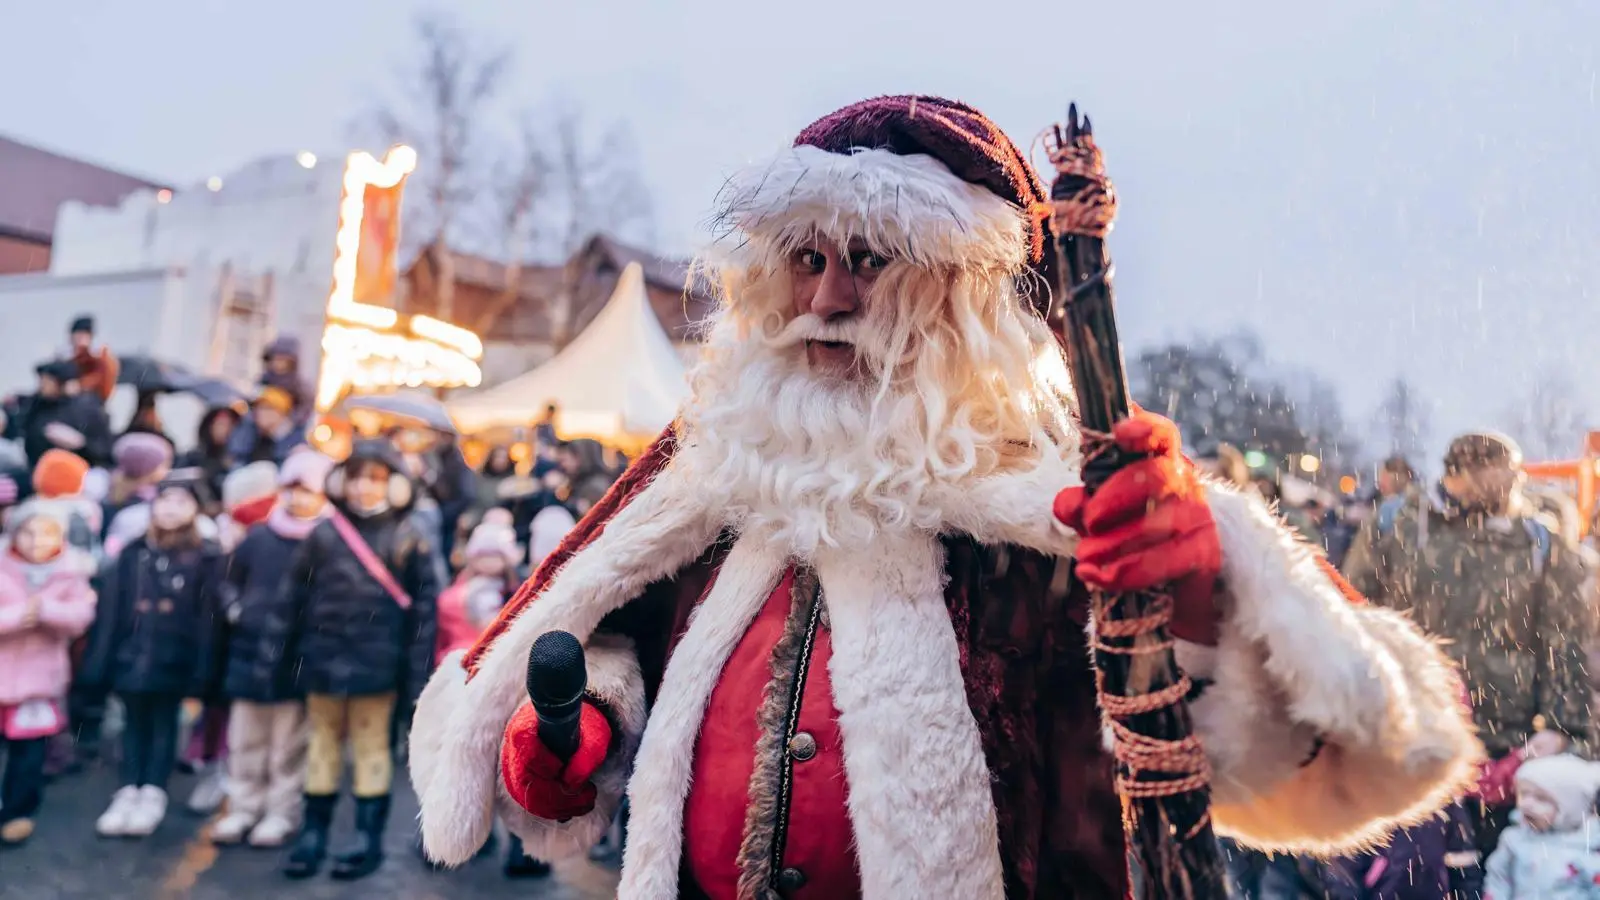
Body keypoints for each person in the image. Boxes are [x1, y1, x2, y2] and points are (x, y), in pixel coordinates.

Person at [409, 95, 1480, 897]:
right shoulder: (723, 479)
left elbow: (1350, 747)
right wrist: (577, 726)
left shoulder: (1058, 512)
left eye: (871, 261)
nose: (827, 300)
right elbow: (615, 640)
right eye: (807, 259)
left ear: (968, 298)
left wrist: (1196, 593)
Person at [1344, 431, 1595, 884]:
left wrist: (1565, 730)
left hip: (1500, 741)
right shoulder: (1398, 523)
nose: (1513, 486)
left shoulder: (1537, 540)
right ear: (1459, 472)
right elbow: (1353, 613)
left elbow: (1563, 639)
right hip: (1407, 733)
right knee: (1401, 869)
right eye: (1501, 475)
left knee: (1487, 870)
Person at [280, 439, 440, 881]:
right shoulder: (324, 534)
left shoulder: (409, 536)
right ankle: (314, 834)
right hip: (323, 662)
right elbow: (293, 599)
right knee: (321, 747)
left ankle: (366, 839)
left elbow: (425, 616)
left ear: (394, 485)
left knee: (372, 751)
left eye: (375, 477)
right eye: (356, 476)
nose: (364, 487)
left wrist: (416, 677)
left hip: (378, 668)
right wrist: (283, 658)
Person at [81, 469, 225, 838]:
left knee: (164, 724)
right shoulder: (134, 553)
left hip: (174, 659)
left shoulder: (206, 557)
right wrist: (101, 661)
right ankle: (128, 789)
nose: (171, 509)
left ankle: (153, 792)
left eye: (181, 501)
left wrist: (202, 670)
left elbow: (207, 620)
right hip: (132, 655)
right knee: (132, 724)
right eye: (165, 500)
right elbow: (113, 611)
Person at [211, 449, 333, 848]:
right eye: (293, 489)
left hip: (297, 657)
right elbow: (228, 578)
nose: (299, 498)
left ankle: (281, 812)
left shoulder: (328, 541)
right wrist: (235, 609)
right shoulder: (260, 536)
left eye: (308, 490)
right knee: (246, 739)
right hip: (249, 649)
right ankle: (243, 806)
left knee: (288, 745)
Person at [0, 500, 98, 846]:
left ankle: (17, 812)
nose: (36, 541)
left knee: (29, 752)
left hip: (37, 680)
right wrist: (15, 618)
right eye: (28, 532)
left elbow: (81, 617)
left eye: (46, 534)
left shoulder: (71, 572)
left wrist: (46, 610)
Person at [1483, 754, 1600, 899]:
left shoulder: (1590, 846)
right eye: (1524, 794)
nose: (1526, 804)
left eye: (1541, 798)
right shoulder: (1515, 839)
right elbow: (1498, 878)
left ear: (1570, 807)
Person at [13, 361, 113, 470]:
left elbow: (103, 450)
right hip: (38, 468)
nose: (41, 385)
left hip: (75, 471)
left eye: (47, 381)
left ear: (62, 384)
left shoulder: (86, 408)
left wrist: (80, 443)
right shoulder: (39, 403)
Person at [176, 404, 242, 509]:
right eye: (220, 424)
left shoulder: (239, 459)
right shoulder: (192, 458)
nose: (225, 430)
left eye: (230, 425)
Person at [228, 386, 306, 469]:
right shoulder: (253, 436)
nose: (258, 413)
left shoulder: (296, 443)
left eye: (266, 408)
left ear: (281, 413)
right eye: (256, 408)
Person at [67, 315, 120, 406]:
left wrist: (80, 385)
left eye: (81, 336)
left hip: (93, 403)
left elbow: (100, 377)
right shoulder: (76, 357)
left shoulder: (102, 356)